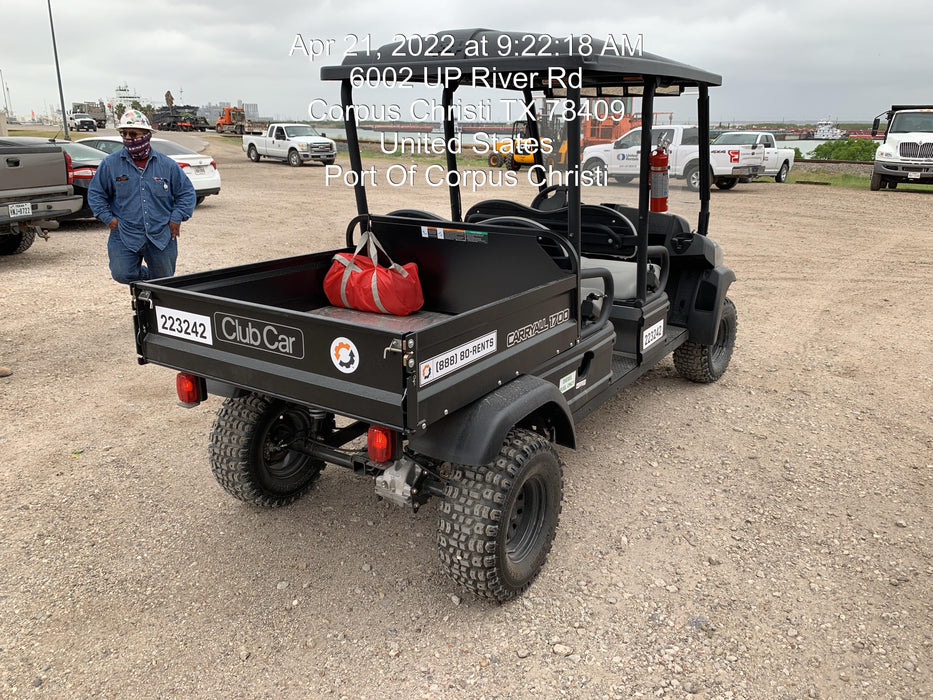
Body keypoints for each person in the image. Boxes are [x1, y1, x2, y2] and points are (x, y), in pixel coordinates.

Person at [88, 110, 197, 284]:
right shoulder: (110, 164)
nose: (128, 138)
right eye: (124, 134)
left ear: (146, 135)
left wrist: (176, 217)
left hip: (161, 234)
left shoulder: (167, 165)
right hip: (125, 233)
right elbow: (96, 194)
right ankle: (150, 282)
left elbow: (186, 193)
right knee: (122, 274)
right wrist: (109, 219)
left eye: (133, 134)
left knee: (165, 281)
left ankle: (155, 296)